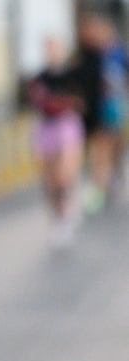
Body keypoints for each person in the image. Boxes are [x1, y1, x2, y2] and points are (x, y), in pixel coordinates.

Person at [28, 37, 85, 247]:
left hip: (66, 125)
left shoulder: (72, 75)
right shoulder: (39, 78)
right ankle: (58, 216)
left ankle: (67, 212)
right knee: (50, 180)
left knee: (64, 175)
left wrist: (67, 102)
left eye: (55, 48)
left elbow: (82, 100)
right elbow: (32, 101)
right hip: (46, 127)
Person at [72, 12, 128, 214]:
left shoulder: (116, 54)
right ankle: (105, 180)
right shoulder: (85, 56)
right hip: (90, 111)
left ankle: (101, 186)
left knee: (105, 148)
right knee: (97, 151)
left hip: (111, 107)